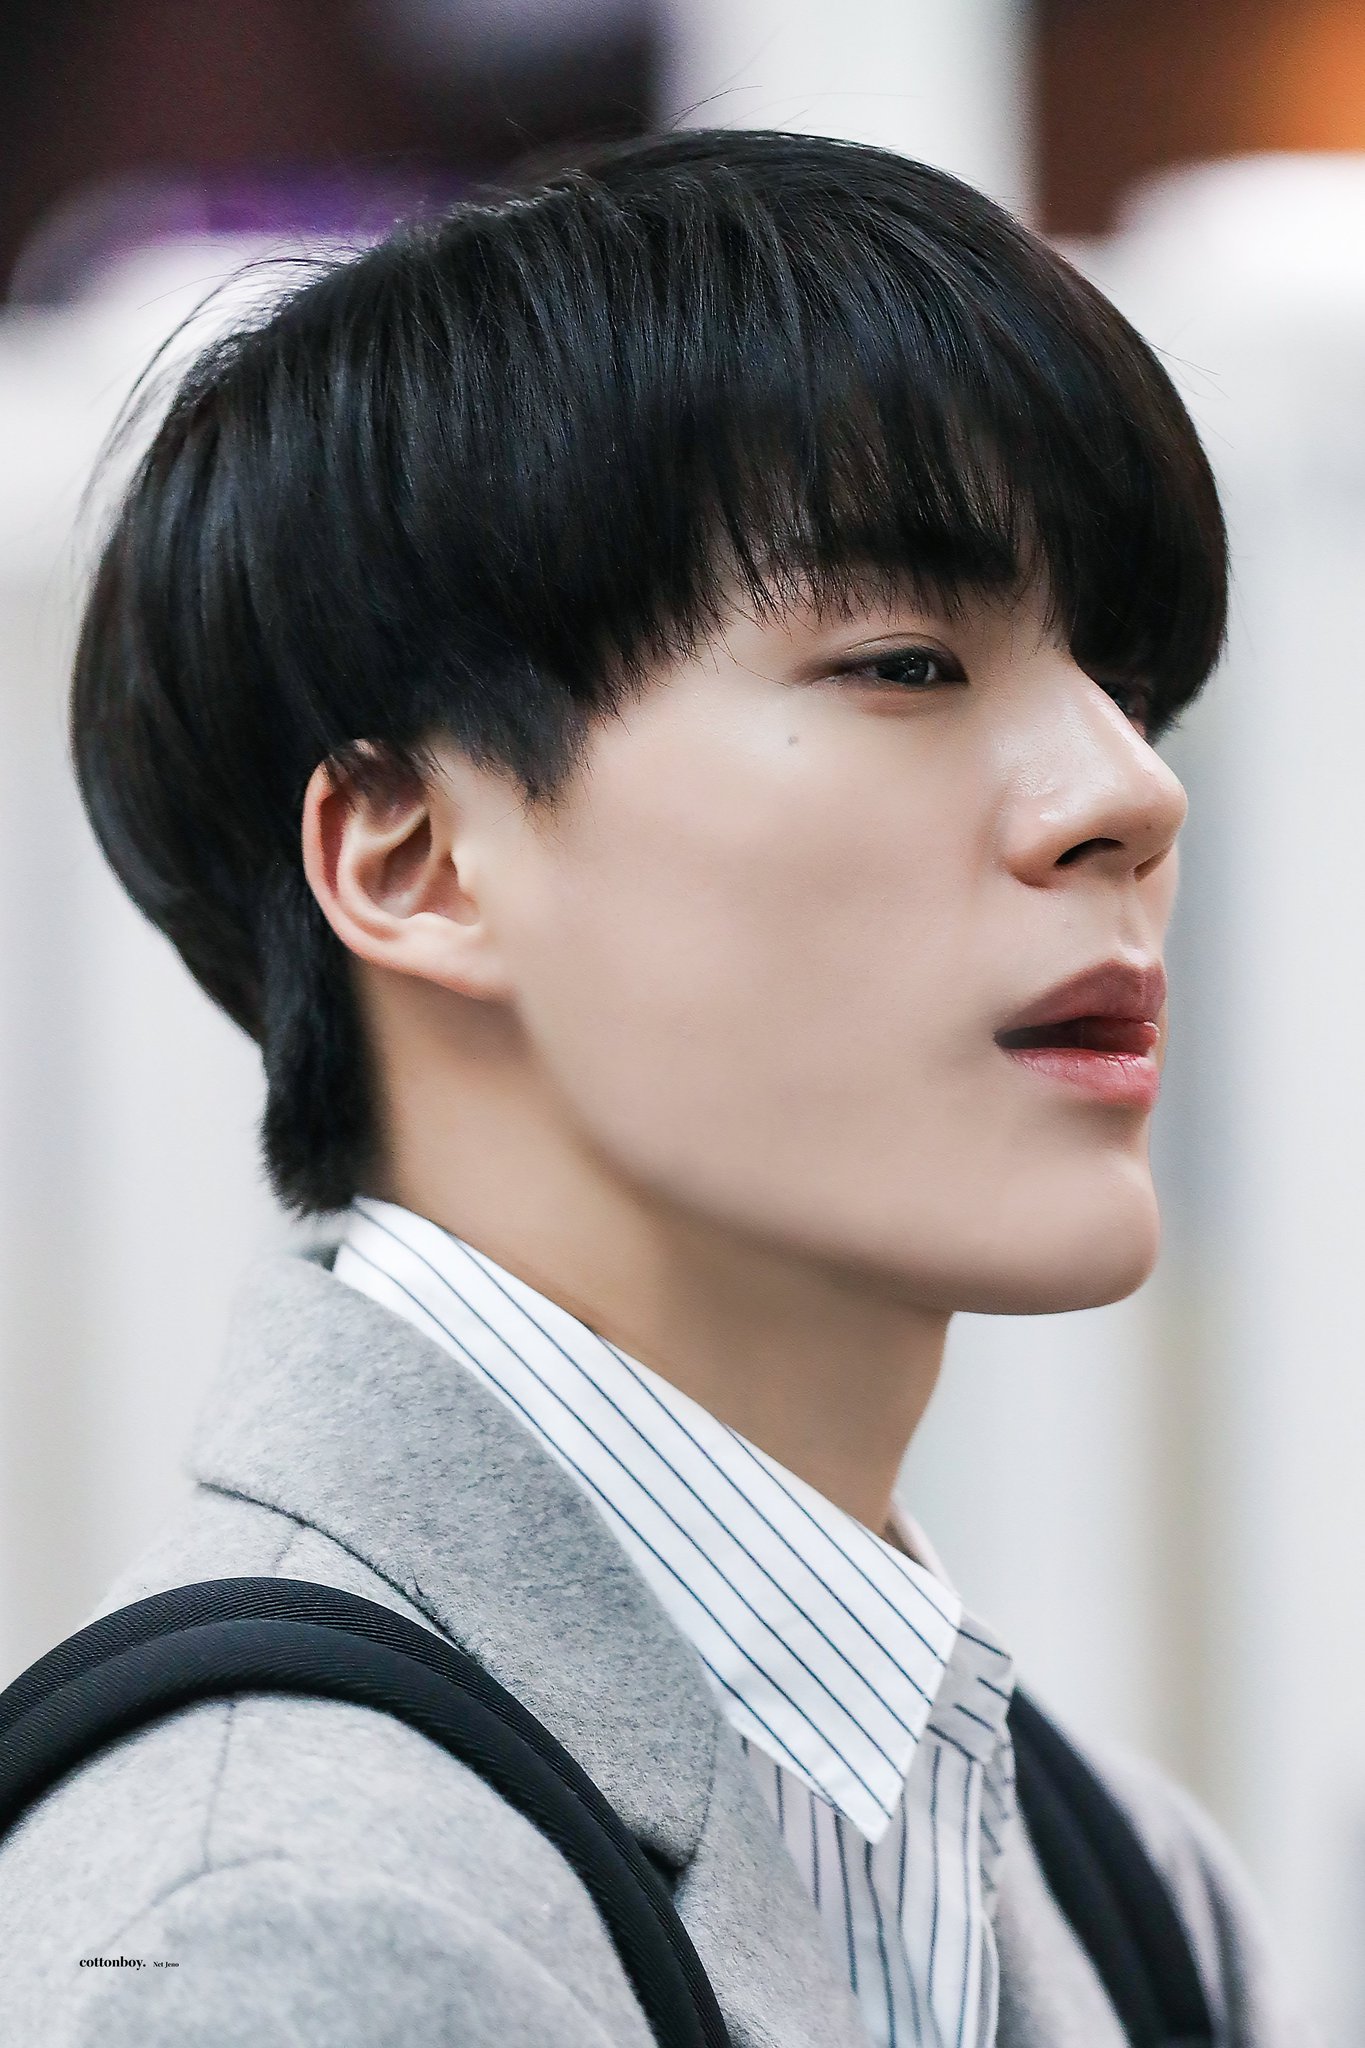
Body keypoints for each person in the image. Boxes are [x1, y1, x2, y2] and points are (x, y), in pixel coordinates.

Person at [0, 128, 1310, 2045]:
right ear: (413, 858)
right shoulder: (273, 1919)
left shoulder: (1123, 1887)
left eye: (1122, 685)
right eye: (904, 662)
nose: (1130, 792)